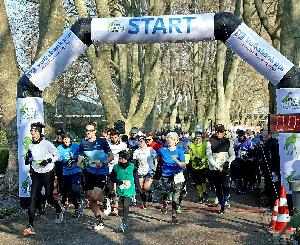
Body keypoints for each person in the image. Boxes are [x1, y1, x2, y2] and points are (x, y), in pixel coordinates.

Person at [23, 122, 64, 236]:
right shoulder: (30, 144)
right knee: (33, 199)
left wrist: (49, 160)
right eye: (32, 132)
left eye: (35, 132)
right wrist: (28, 159)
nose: (33, 134)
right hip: (36, 174)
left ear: (40, 133)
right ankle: (30, 226)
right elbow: (29, 157)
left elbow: (58, 156)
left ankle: (59, 209)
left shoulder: (47, 144)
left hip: (47, 173)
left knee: (49, 198)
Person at [77, 122, 114, 230]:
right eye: (86, 130)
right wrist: (83, 164)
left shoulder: (102, 142)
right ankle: (99, 220)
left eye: (90, 130)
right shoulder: (83, 143)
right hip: (89, 174)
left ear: (95, 131)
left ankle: (105, 200)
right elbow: (79, 162)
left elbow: (111, 156)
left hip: (101, 173)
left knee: (94, 197)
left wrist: (103, 163)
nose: (88, 132)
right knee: (92, 199)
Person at [155, 132, 186, 224]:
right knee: (166, 192)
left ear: (175, 140)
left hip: (177, 175)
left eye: (171, 138)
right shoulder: (162, 150)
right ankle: (164, 204)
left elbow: (183, 165)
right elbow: (156, 159)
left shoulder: (180, 151)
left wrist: (176, 161)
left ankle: (174, 216)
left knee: (175, 196)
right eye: (168, 138)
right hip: (166, 175)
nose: (169, 140)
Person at [207, 124, 235, 214]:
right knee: (218, 187)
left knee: (226, 186)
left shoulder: (228, 141)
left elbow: (233, 155)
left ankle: (226, 201)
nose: (219, 133)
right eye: (217, 131)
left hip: (225, 168)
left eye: (221, 131)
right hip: (215, 169)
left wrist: (228, 162)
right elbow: (209, 156)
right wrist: (217, 166)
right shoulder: (210, 141)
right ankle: (221, 203)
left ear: (224, 132)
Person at [57, 133, 83, 217]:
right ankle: (76, 206)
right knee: (66, 191)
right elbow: (57, 158)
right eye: (64, 139)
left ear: (70, 139)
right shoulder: (60, 148)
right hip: (66, 172)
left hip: (76, 170)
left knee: (74, 188)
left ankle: (79, 200)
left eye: (67, 139)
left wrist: (75, 159)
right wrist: (64, 161)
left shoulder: (76, 145)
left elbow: (82, 153)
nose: (66, 141)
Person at [110, 150, 136, 232]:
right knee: (122, 202)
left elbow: (136, 177)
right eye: (119, 158)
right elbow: (112, 178)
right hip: (120, 189)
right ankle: (124, 218)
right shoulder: (116, 167)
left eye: (121, 158)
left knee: (125, 205)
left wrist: (138, 188)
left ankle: (124, 223)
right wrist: (119, 181)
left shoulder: (132, 166)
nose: (119, 159)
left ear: (126, 159)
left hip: (129, 189)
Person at [106, 129, 128, 215]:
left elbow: (126, 157)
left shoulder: (123, 145)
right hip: (109, 168)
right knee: (111, 188)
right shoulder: (107, 144)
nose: (114, 139)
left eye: (115, 137)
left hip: (118, 168)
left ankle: (115, 207)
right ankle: (113, 203)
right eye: (112, 137)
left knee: (117, 188)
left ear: (118, 137)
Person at [133, 136, 156, 208]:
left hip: (149, 171)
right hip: (140, 171)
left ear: (145, 142)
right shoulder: (136, 151)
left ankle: (150, 193)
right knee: (141, 188)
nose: (140, 143)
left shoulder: (150, 150)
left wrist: (155, 168)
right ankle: (144, 202)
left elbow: (155, 159)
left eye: (141, 141)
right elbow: (134, 162)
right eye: (139, 141)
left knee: (146, 187)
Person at [188, 132, 209, 203]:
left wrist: (202, 160)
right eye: (196, 139)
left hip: (203, 166)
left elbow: (208, 154)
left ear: (201, 139)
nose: (197, 140)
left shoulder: (205, 144)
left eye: (199, 139)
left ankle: (204, 191)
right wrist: (194, 158)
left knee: (203, 180)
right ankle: (200, 196)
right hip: (195, 166)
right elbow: (190, 154)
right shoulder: (191, 145)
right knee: (197, 182)